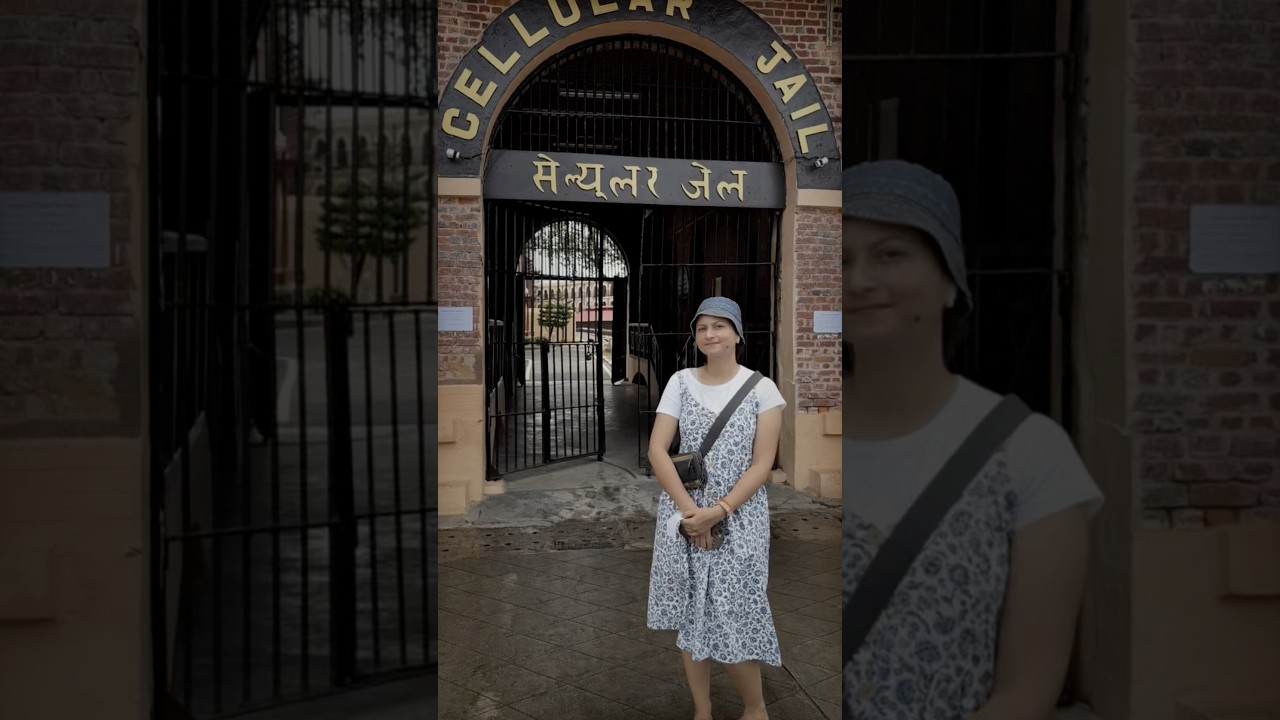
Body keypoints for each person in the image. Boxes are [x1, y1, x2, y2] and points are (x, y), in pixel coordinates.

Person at [841, 160, 1104, 719]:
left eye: (890, 253)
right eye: (840, 259)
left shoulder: (1030, 454)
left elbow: (1026, 690)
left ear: (948, 281)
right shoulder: (789, 435)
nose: (858, 279)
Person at [646, 296, 787, 720]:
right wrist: (693, 514)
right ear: (695, 335)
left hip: (740, 518)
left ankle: (755, 709)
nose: (710, 333)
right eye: (702, 326)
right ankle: (701, 711)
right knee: (693, 614)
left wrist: (719, 510)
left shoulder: (763, 388)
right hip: (684, 513)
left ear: (737, 333)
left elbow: (762, 465)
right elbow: (657, 450)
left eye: (720, 325)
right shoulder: (680, 381)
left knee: (735, 610)